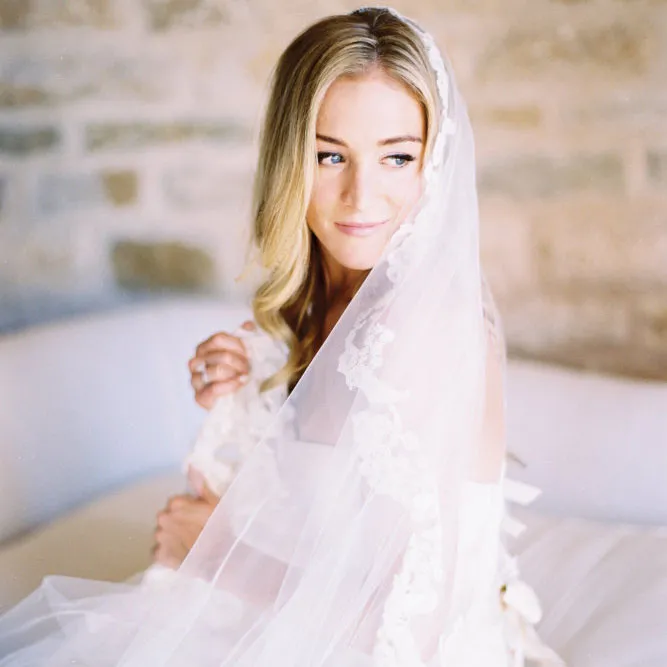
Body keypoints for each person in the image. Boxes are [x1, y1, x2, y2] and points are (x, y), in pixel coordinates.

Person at [0, 8, 565, 666]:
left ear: (432, 163)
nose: (360, 196)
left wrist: (212, 552)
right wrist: (244, 398)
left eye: (396, 157)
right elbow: (313, 504)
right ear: (289, 157)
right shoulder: (329, 290)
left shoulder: (422, 327)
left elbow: (410, 625)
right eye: (330, 155)